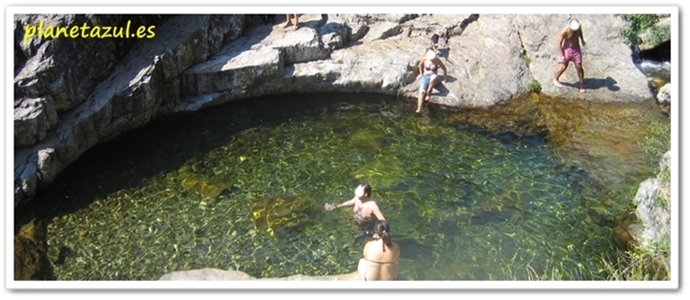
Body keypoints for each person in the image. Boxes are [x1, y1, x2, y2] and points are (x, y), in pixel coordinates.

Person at [553, 18, 587, 93]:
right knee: (563, 66)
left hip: (576, 48)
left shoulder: (578, 27)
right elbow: (559, 43)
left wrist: (582, 39)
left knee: (579, 66)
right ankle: (555, 79)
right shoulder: (565, 31)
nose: (575, 30)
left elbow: (580, 32)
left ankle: (582, 84)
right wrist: (561, 55)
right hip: (567, 49)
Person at [416, 49, 448, 113]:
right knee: (421, 92)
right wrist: (421, 74)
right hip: (425, 77)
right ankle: (419, 108)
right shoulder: (424, 59)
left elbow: (444, 69)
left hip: (433, 78)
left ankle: (428, 93)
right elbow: (420, 65)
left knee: (434, 77)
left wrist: (444, 79)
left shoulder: (437, 60)